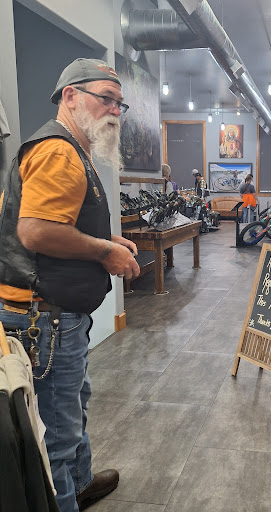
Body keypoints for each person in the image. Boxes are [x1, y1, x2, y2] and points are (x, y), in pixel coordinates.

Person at [0, 58, 140, 512]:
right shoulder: (59, 151)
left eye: (119, 103)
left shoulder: (71, 149)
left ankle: (80, 485)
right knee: (58, 433)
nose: (115, 110)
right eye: (106, 99)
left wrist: (107, 239)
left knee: (72, 406)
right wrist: (104, 253)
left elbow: (55, 219)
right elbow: (36, 231)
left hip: (56, 316)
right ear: (71, 96)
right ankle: (67, 496)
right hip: (43, 317)